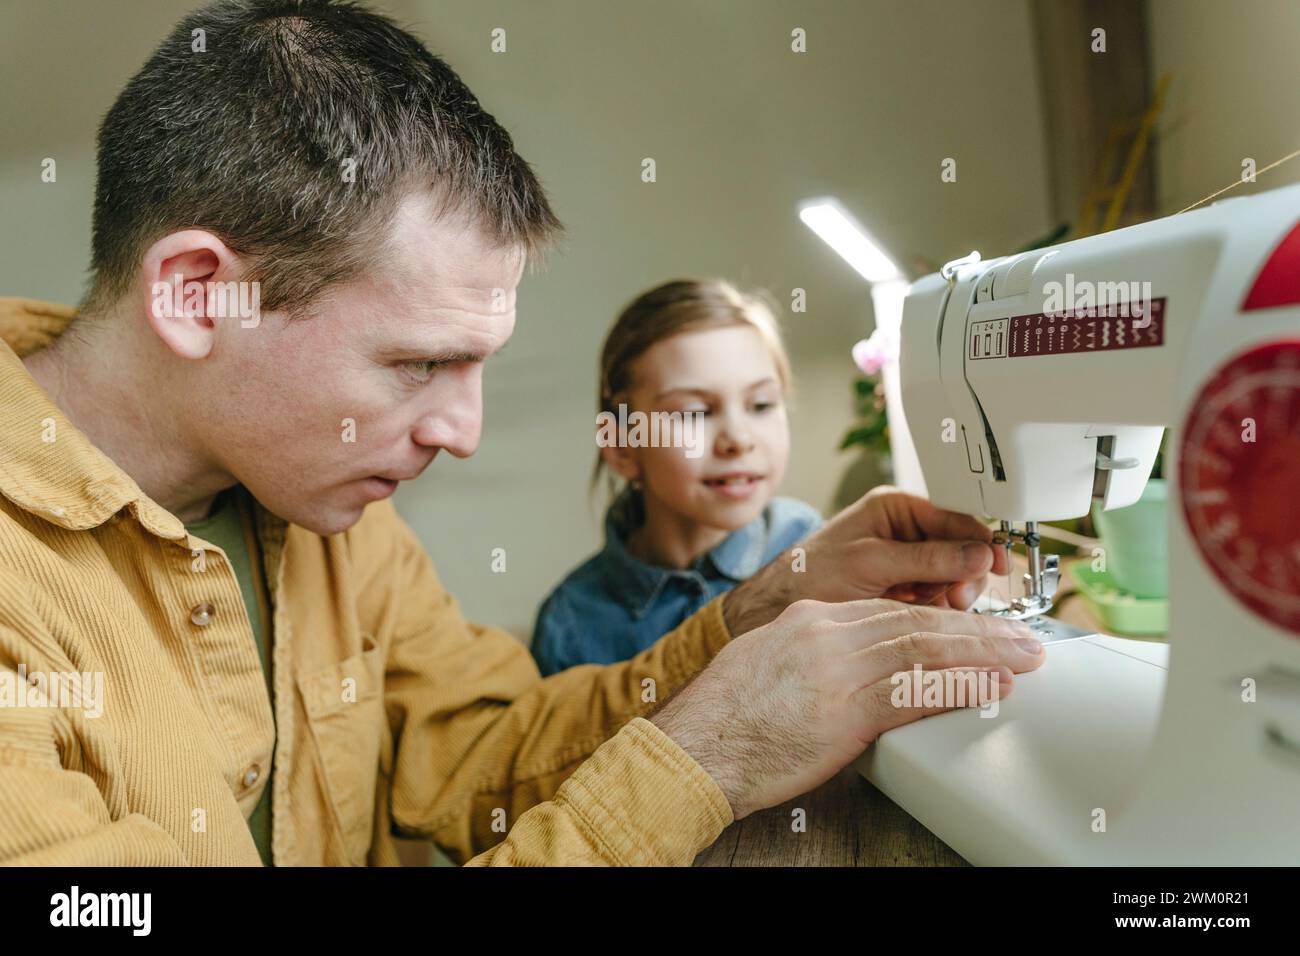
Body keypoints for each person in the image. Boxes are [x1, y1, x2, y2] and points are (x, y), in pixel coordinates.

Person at [0, 0, 1042, 867]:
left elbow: (488, 752)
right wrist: (705, 755)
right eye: (417, 363)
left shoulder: (314, 512)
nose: (463, 430)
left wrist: (757, 610)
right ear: (197, 297)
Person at [533, 279, 822, 674]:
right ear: (622, 447)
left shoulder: (818, 551)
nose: (738, 439)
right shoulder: (571, 622)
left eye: (760, 404)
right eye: (694, 413)